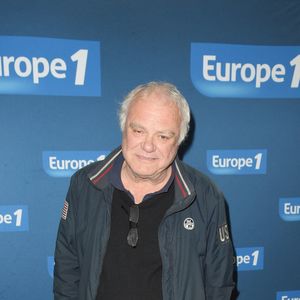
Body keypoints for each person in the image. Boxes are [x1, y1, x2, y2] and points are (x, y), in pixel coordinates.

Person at [53, 81, 234, 300]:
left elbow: (219, 283)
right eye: (139, 130)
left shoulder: (205, 196)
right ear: (124, 127)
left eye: (163, 136)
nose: (148, 146)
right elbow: (67, 267)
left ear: (179, 140)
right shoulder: (84, 185)